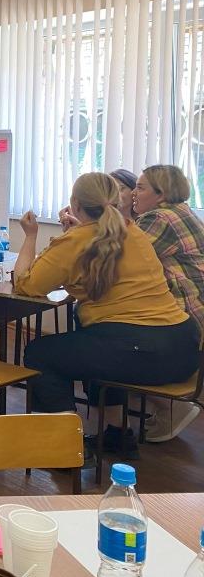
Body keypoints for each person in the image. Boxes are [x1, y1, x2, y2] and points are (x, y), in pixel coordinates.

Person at [14, 173, 198, 457]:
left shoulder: (76, 241)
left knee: (40, 354)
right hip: (185, 348)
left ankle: (65, 448)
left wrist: (30, 236)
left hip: (143, 352)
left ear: (75, 204)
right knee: (92, 341)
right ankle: (116, 436)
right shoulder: (132, 230)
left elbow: (25, 284)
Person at [131, 165, 204, 442]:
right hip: (195, 310)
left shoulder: (159, 218)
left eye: (140, 188)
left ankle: (169, 406)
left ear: (161, 194)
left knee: (107, 333)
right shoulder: (182, 212)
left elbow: (119, 258)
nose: (133, 193)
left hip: (185, 315)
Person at [59, 168, 136, 229]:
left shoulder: (139, 227)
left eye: (121, 188)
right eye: (108, 189)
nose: (114, 194)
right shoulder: (98, 225)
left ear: (134, 191)